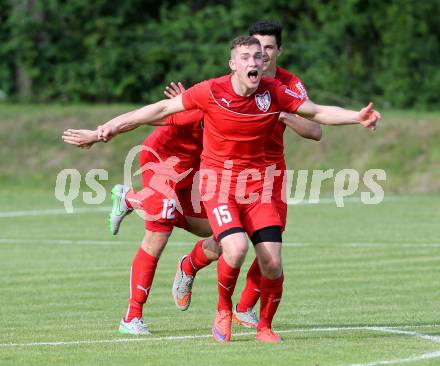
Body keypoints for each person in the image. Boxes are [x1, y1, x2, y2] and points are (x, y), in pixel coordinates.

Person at [64, 35, 380, 343]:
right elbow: (157, 112)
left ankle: (263, 326)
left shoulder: (274, 92)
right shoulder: (210, 92)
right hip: (202, 177)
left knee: (262, 257)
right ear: (232, 65)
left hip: (254, 188)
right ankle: (199, 311)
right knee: (227, 245)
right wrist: (103, 131)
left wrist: (357, 117)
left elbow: (317, 114)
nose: (255, 61)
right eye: (246, 57)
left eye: (259, 56)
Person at [171, 20, 324, 329]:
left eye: (268, 48)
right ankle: (190, 264)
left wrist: (283, 113)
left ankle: (244, 308)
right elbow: (203, 111)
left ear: (279, 50)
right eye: (256, 49)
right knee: (226, 246)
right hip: (229, 175)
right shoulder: (231, 84)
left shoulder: (288, 86)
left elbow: (315, 129)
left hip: (270, 176)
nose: (261, 55)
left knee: (270, 247)